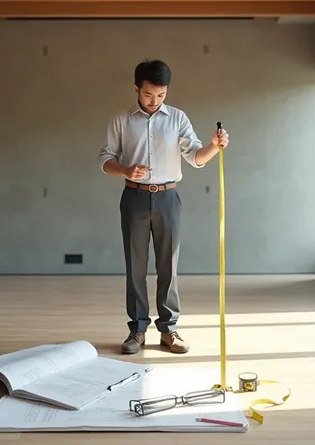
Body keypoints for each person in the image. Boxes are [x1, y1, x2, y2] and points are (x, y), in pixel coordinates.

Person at [98, 59, 229, 355]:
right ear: (136, 89)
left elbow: (196, 157)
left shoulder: (178, 118)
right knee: (135, 267)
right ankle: (137, 329)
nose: (154, 101)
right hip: (133, 198)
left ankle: (169, 330)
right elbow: (104, 159)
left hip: (169, 199)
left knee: (168, 265)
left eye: (161, 95)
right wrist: (125, 170)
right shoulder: (121, 120)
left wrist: (214, 146)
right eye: (148, 95)